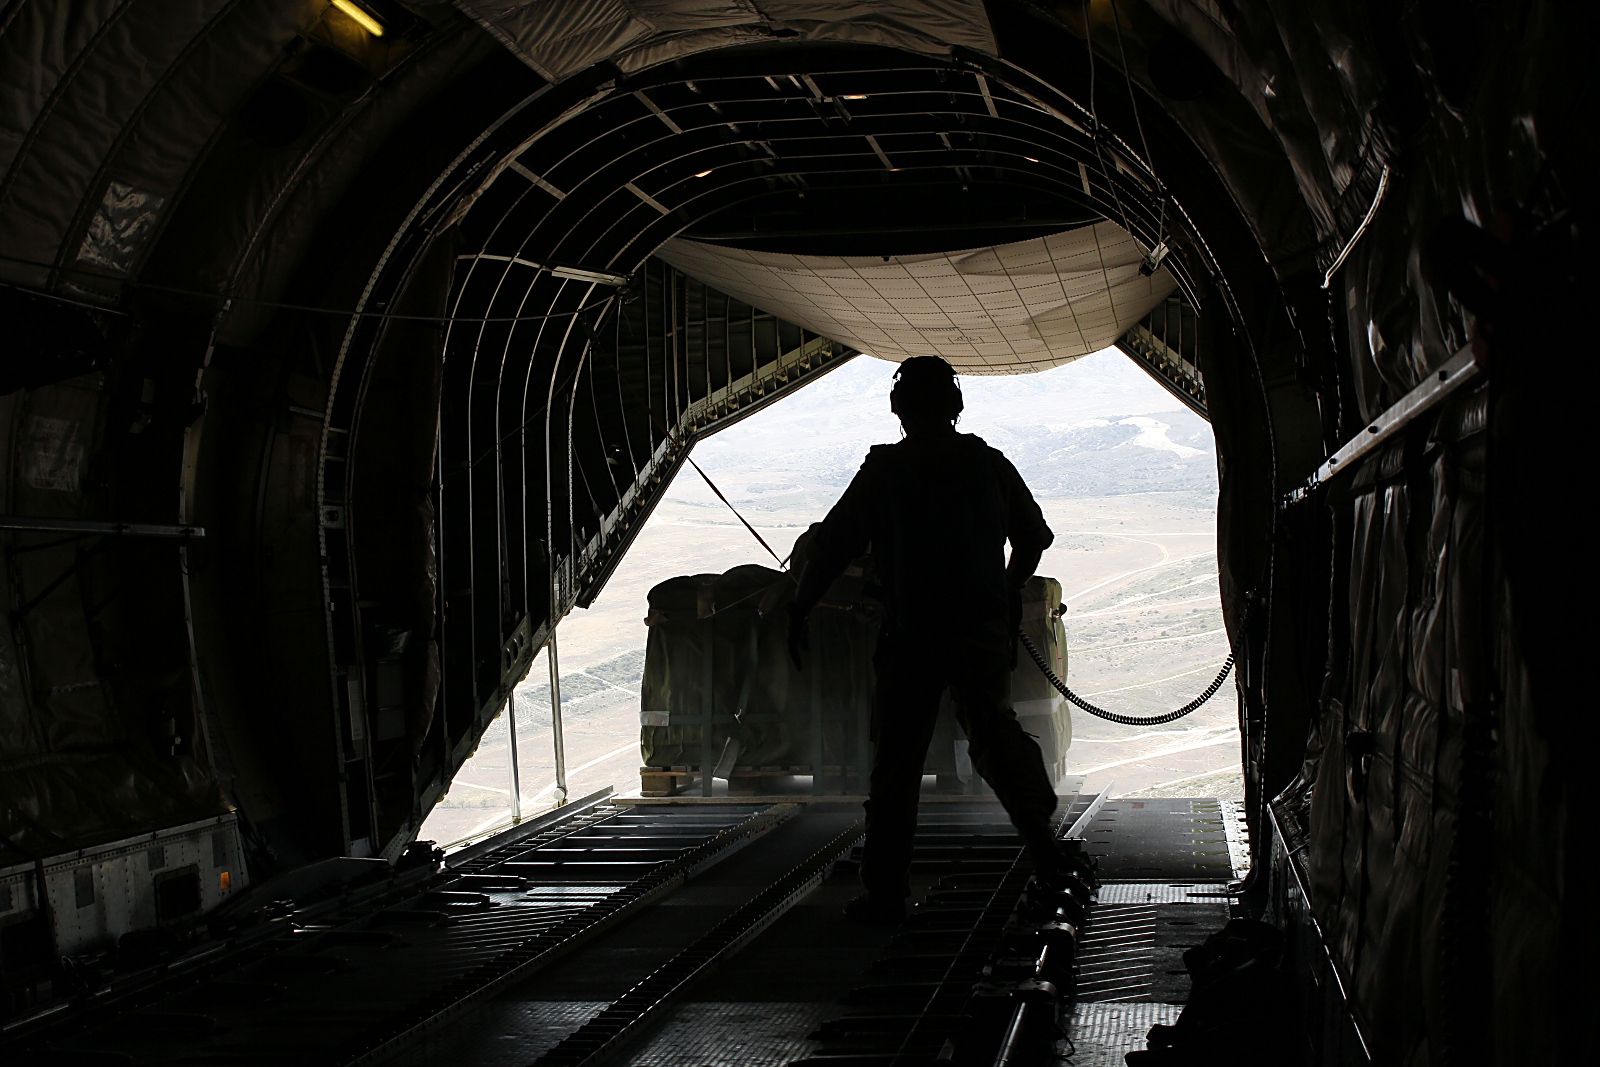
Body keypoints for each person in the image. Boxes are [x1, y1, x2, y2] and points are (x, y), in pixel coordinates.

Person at [787, 355, 1063, 924]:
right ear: (956, 405)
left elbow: (832, 547)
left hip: (911, 637)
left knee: (897, 765)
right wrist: (1002, 591)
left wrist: (799, 610)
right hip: (977, 635)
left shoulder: (886, 472)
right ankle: (1043, 844)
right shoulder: (987, 465)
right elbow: (1033, 539)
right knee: (996, 739)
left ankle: (887, 891)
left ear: (899, 408)